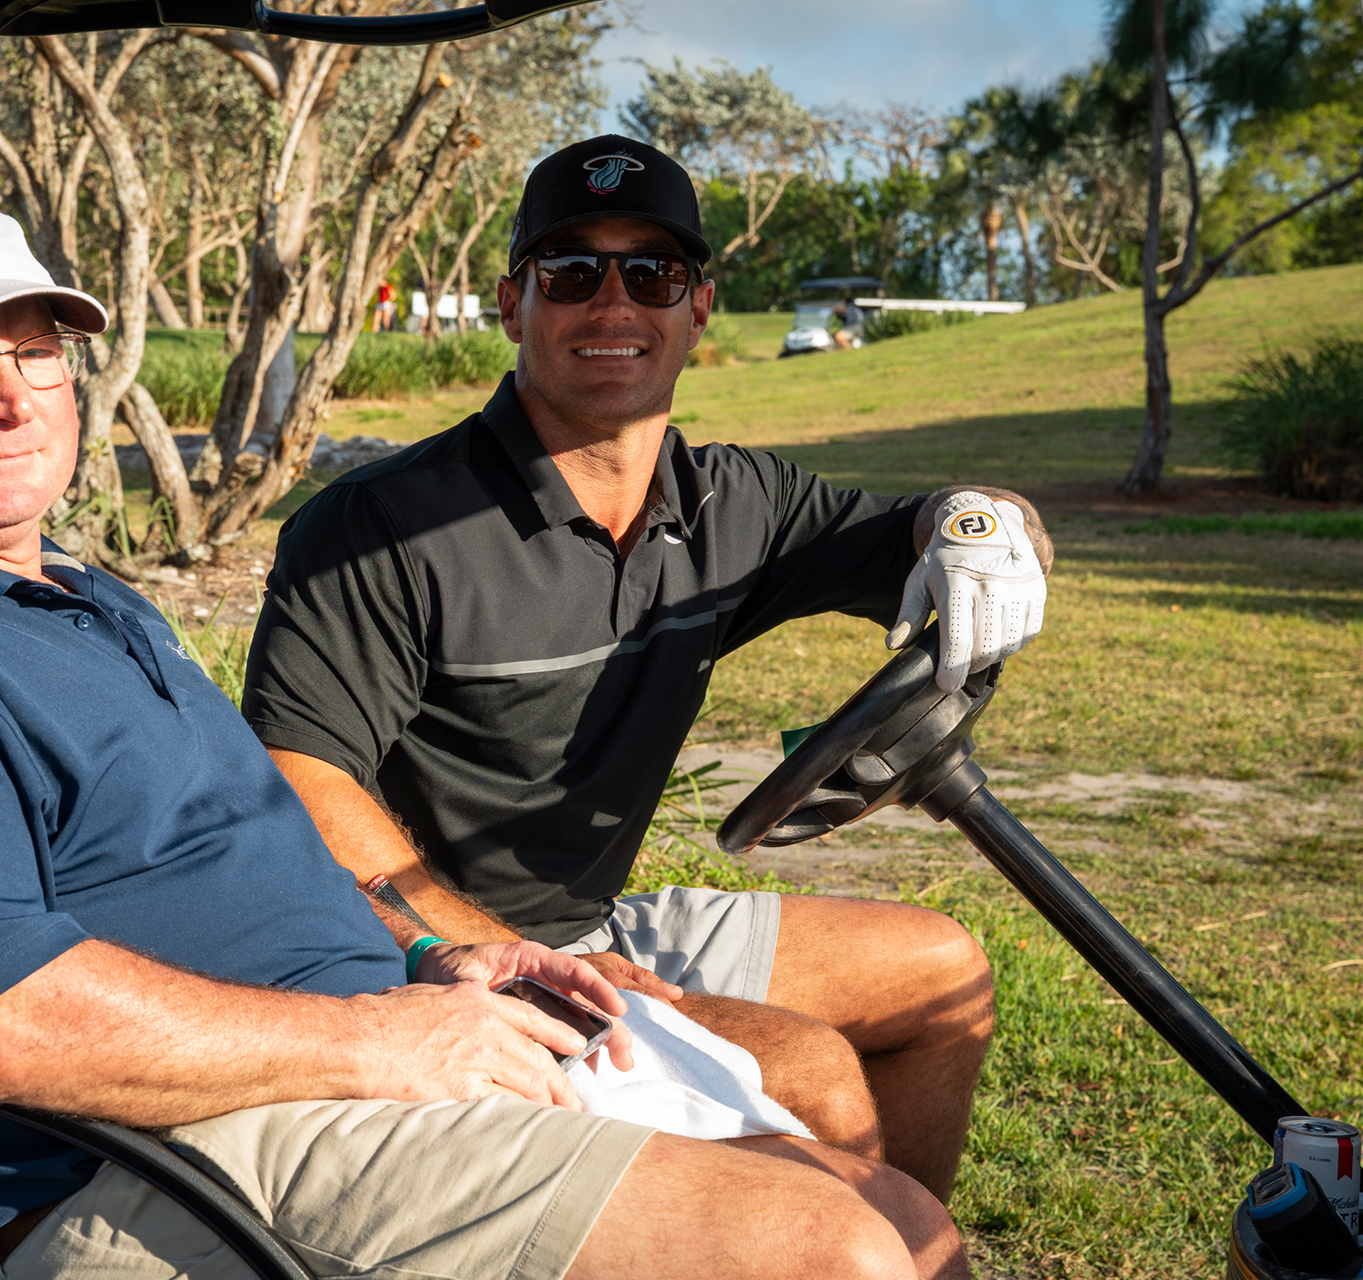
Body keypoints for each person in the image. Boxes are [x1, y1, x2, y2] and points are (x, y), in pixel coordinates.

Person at [0, 192, 970, 1280]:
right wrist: (382, 1038)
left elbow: (254, 847)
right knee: (834, 1246)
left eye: (36, 353)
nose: (10, 399)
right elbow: (2, 1031)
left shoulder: (82, 599)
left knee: (894, 1213)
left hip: (349, 1055)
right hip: (154, 1165)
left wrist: (431, 953)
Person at [241, 134, 1053, 1201]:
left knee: (944, 975)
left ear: (698, 306)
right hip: (422, 958)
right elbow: (300, 785)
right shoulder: (380, 528)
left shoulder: (733, 504)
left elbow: (924, 524)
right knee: (812, 1075)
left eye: (654, 274)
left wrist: (983, 522)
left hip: (598, 926)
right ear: (513, 303)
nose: (614, 303)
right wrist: (486, 951)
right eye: (574, 272)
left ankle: (898, 1243)